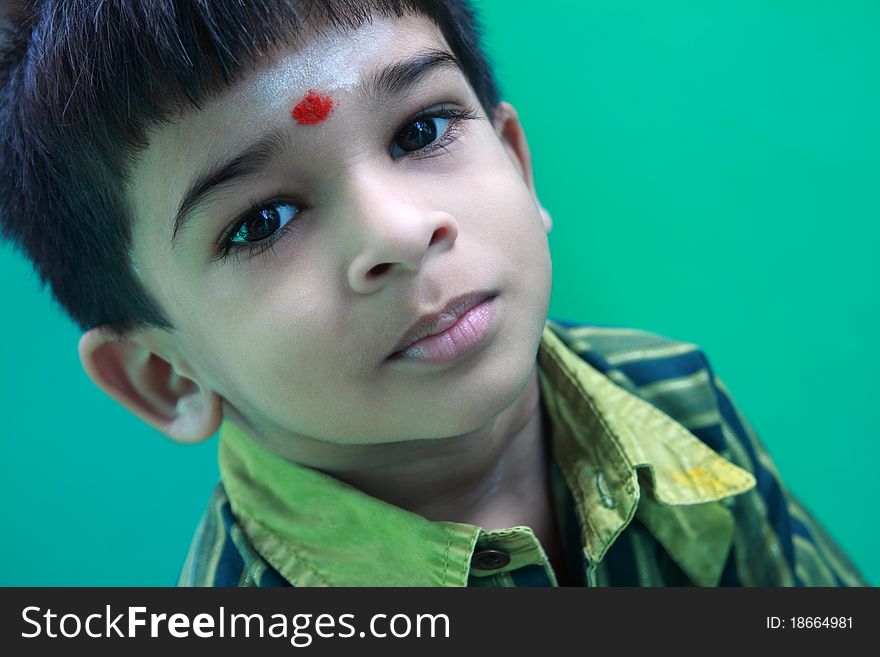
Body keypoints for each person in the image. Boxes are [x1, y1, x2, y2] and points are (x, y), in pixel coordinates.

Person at [0, 0, 865, 587]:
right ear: (166, 374)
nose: (399, 232)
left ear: (519, 165)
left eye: (420, 130)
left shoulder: (675, 396)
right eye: (262, 220)